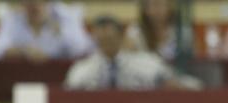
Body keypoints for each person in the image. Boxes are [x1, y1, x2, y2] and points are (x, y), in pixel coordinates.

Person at [65, 15, 200, 90]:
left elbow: (179, 83)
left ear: (121, 37)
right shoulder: (82, 70)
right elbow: (69, 96)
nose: (107, 44)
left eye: (110, 39)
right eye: (102, 40)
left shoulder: (146, 63)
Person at [0, 0, 93, 61]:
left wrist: (61, 33)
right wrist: (24, 51)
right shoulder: (13, 18)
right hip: (23, 78)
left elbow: (82, 49)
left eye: (38, 3)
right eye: (29, 4)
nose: (34, 7)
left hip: (59, 79)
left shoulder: (65, 16)